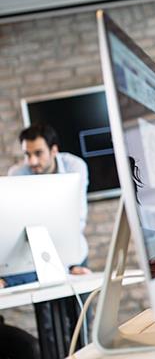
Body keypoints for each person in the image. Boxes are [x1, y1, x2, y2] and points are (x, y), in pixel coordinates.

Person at [0, 123, 91, 288]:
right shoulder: (17, 174)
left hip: (72, 252)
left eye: (38, 153)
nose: (32, 161)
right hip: (35, 257)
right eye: (27, 154)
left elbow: (78, 218)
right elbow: (17, 224)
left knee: (80, 309)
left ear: (54, 150)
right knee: (45, 310)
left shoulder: (75, 166)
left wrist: (65, 266)